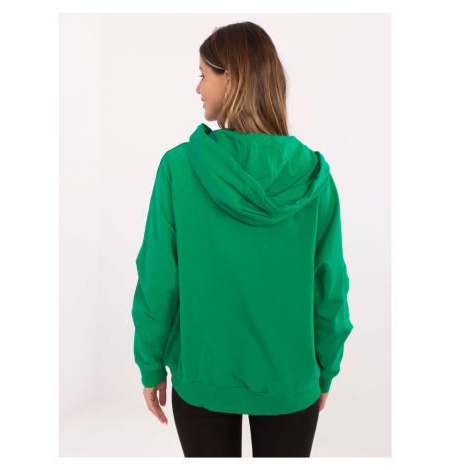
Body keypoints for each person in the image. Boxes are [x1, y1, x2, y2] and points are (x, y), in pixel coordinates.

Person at [131, 21, 354, 458]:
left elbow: (158, 279)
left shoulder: (179, 168)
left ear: (230, 77)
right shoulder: (314, 178)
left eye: (203, 74)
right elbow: (330, 290)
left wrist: (150, 363)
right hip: (290, 382)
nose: (198, 88)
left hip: (203, 378)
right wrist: (326, 371)